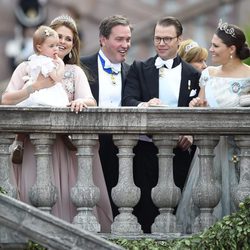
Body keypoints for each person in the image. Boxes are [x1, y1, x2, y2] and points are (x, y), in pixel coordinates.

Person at [2, 15, 113, 233]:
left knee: (66, 196)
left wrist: (81, 101)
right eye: (58, 37)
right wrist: (35, 87)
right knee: (32, 192)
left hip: (65, 149)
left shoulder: (74, 72)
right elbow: (5, 100)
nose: (62, 42)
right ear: (43, 41)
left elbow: (91, 100)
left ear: (73, 46)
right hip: (32, 146)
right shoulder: (26, 68)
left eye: (68, 39)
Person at [122, 16, 201, 233]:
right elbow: (127, 100)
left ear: (179, 40)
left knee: (178, 209)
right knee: (146, 209)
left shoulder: (193, 74)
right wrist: (144, 104)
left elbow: (200, 111)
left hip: (181, 151)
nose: (161, 43)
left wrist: (191, 133)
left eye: (167, 39)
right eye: (157, 38)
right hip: (146, 150)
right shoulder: (139, 68)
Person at [176, 19, 250, 234]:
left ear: (232, 49)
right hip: (210, 153)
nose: (210, 50)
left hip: (240, 151)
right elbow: (201, 107)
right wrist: (197, 104)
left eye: (215, 45)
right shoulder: (208, 75)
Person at [80, 15, 133, 218]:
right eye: (119, 39)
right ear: (103, 39)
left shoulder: (133, 71)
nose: (125, 44)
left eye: (128, 39)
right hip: (86, 146)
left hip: (122, 150)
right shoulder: (82, 67)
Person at [10, 25, 69, 164]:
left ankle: (19, 141)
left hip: (34, 94)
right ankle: (66, 134)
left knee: (25, 120)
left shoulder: (34, 59)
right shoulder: (47, 62)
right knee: (61, 110)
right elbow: (56, 78)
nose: (56, 49)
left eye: (56, 45)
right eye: (51, 46)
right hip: (46, 93)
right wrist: (60, 65)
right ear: (40, 47)